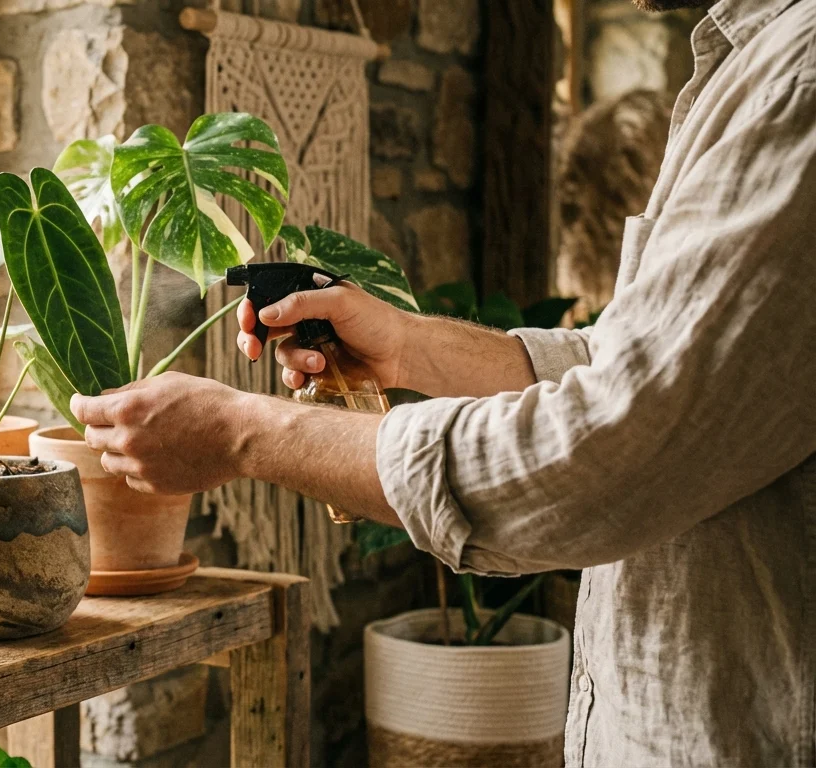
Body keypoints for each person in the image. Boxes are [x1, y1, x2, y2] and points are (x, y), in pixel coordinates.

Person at [69, 0, 816, 764]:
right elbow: (640, 359)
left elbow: (610, 449)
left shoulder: (800, 78)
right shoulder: (749, 62)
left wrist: (246, 432)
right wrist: (409, 345)